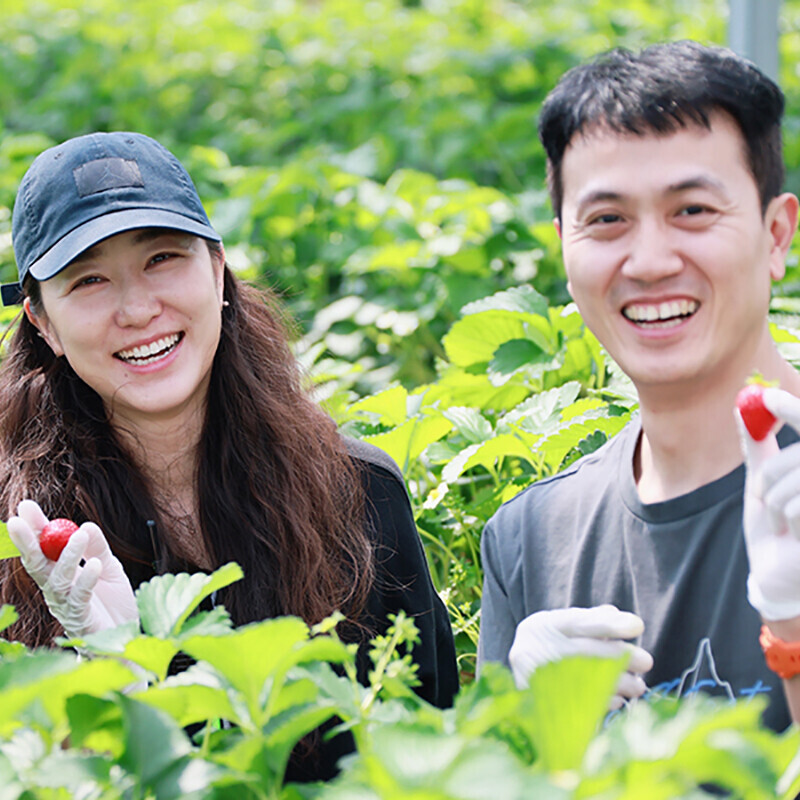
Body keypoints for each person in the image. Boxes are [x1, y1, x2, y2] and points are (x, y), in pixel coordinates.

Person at [0, 131, 458, 779]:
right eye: (90, 279)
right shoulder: (26, 547)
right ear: (42, 322)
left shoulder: (359, 493)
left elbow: (434, 744)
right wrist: (105, 674)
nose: (137, 309)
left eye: (162, 258)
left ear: (218, 271)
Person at [477, 40, 800, 732]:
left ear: (777, 236)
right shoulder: (530, 540)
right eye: (607, 221)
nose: (650, 261)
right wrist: (526, 728)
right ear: (564, 249)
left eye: (693, 211)